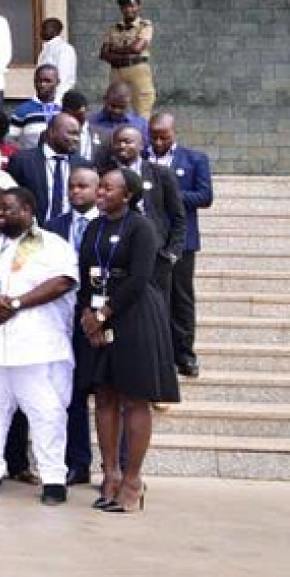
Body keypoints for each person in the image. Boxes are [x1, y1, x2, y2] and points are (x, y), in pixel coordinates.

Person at [0, 189, 80, 505]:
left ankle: (53, 478)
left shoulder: (52, 244)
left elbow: (63, 281)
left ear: (27, 209)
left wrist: (16, 304)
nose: (0, 215)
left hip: (36, 348)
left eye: (8, 210)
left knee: (46, 414)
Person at [79, 168, 180, 514]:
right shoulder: (94, 226)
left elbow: (138, 279)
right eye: (100, 187)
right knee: (105, 396)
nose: (100, 192)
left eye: (108, 188)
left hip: (134, 316)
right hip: (99, 315)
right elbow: (85, 275)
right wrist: (87, 316)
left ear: (128, 195)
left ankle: (133, 481)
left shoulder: (142, 227)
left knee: (134, 398)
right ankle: (110, 475)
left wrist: (103, 314)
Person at [149, 113, 212, 376]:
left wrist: (169, 195)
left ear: (174, 132)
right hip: (149, 241)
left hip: (182, 241)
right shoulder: (141, 159)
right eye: (154, 136)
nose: (158, 141)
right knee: (155, 300)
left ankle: (185, 354)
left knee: (182, 299)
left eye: (164, 136)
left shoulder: (195, 159)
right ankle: (158, 355)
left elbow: (205, 196)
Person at [99, 0, 155, 118]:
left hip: (137, 69)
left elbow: (137, 48)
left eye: (132, 6)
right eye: (125, 7)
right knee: (114, 106)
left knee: (142, 109)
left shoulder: (144, 26)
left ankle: (142, 137)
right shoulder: (113, 28)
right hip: (116, 71)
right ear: (121, 9)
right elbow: (103, 53)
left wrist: (114, 49)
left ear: (138, 7)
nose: (129, 10)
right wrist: (125, 52)